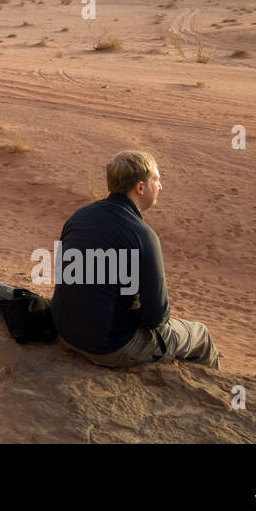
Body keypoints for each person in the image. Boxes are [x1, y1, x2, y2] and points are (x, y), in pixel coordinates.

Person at [50, 150, 219, 369]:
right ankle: (212, 396)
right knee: (201, 335)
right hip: (109, 348)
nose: (160, 186)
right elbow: (157, 318)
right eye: (157, 180)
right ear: (140, 187)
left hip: (64, 332)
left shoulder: (79, 216)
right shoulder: (142, 235)